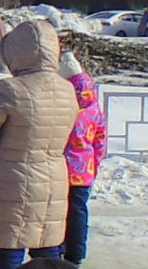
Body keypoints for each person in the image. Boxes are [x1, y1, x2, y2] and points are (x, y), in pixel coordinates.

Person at [0, 20, 80, 269]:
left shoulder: (10, 89)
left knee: (10, 252)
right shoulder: (67, 89)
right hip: (53, 182)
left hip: (13, 182)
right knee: (49, 255)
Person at [56, 52, 106, 268]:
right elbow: (100, 138)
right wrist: (95, 162)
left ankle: (58, 247)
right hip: (85, 168)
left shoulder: (62, 104)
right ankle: (76, 254)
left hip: (61, 168)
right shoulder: (93, 106)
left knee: (59, 210)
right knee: (79, 211)